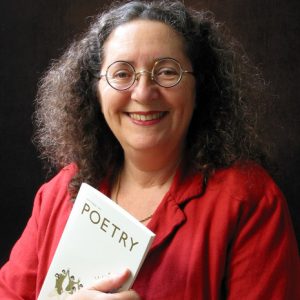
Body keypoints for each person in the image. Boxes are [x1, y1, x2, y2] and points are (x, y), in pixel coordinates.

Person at [0, 0, 299, 299]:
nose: (143, 93)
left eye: (168, 72)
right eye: (121, 74)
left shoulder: (249, 200)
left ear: (200, 89)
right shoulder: (58, 194)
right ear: (94, 90)